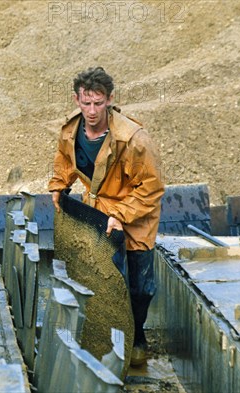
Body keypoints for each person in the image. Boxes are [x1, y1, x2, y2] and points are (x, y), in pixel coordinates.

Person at [48, 67, 164, 367]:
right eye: (85, 103)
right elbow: (64, 158)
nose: (91, 110)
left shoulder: (133, 138)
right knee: (105, 278)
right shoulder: (71, 131)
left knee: (140, 285)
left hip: (135, 211)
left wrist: (121, 215)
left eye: (98, 103)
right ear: (77, 99)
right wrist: (60, 185)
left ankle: (137, 337)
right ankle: (112, 341)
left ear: (110, 99)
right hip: (98, 210)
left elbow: (151, 188)